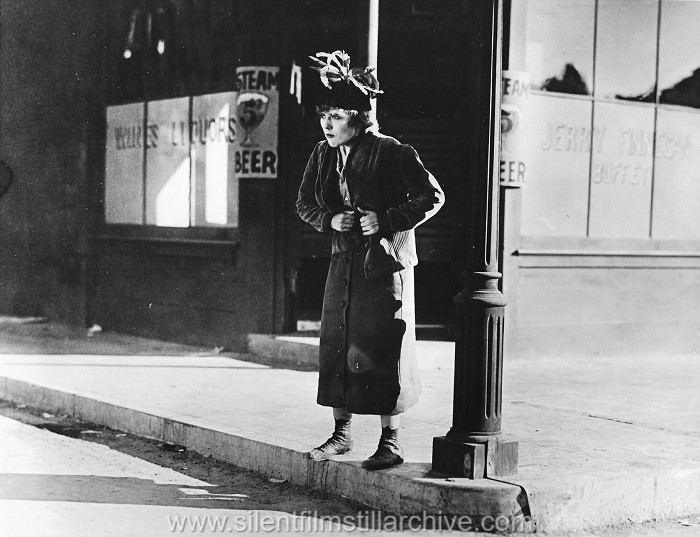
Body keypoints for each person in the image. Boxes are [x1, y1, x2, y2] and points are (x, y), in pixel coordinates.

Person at [296, 50, 444, 470]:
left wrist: (386, 219)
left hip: (385, 265)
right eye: (324, 113)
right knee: (339, 343)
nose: (327, 123)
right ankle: (341, 434)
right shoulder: (322, 154)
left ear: (358, 118)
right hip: (343, 262)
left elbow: (432, 196)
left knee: (384, 345)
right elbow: (304, 203)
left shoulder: (390, 150)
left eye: (337, 115)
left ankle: (390, 441)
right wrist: (330, 220)